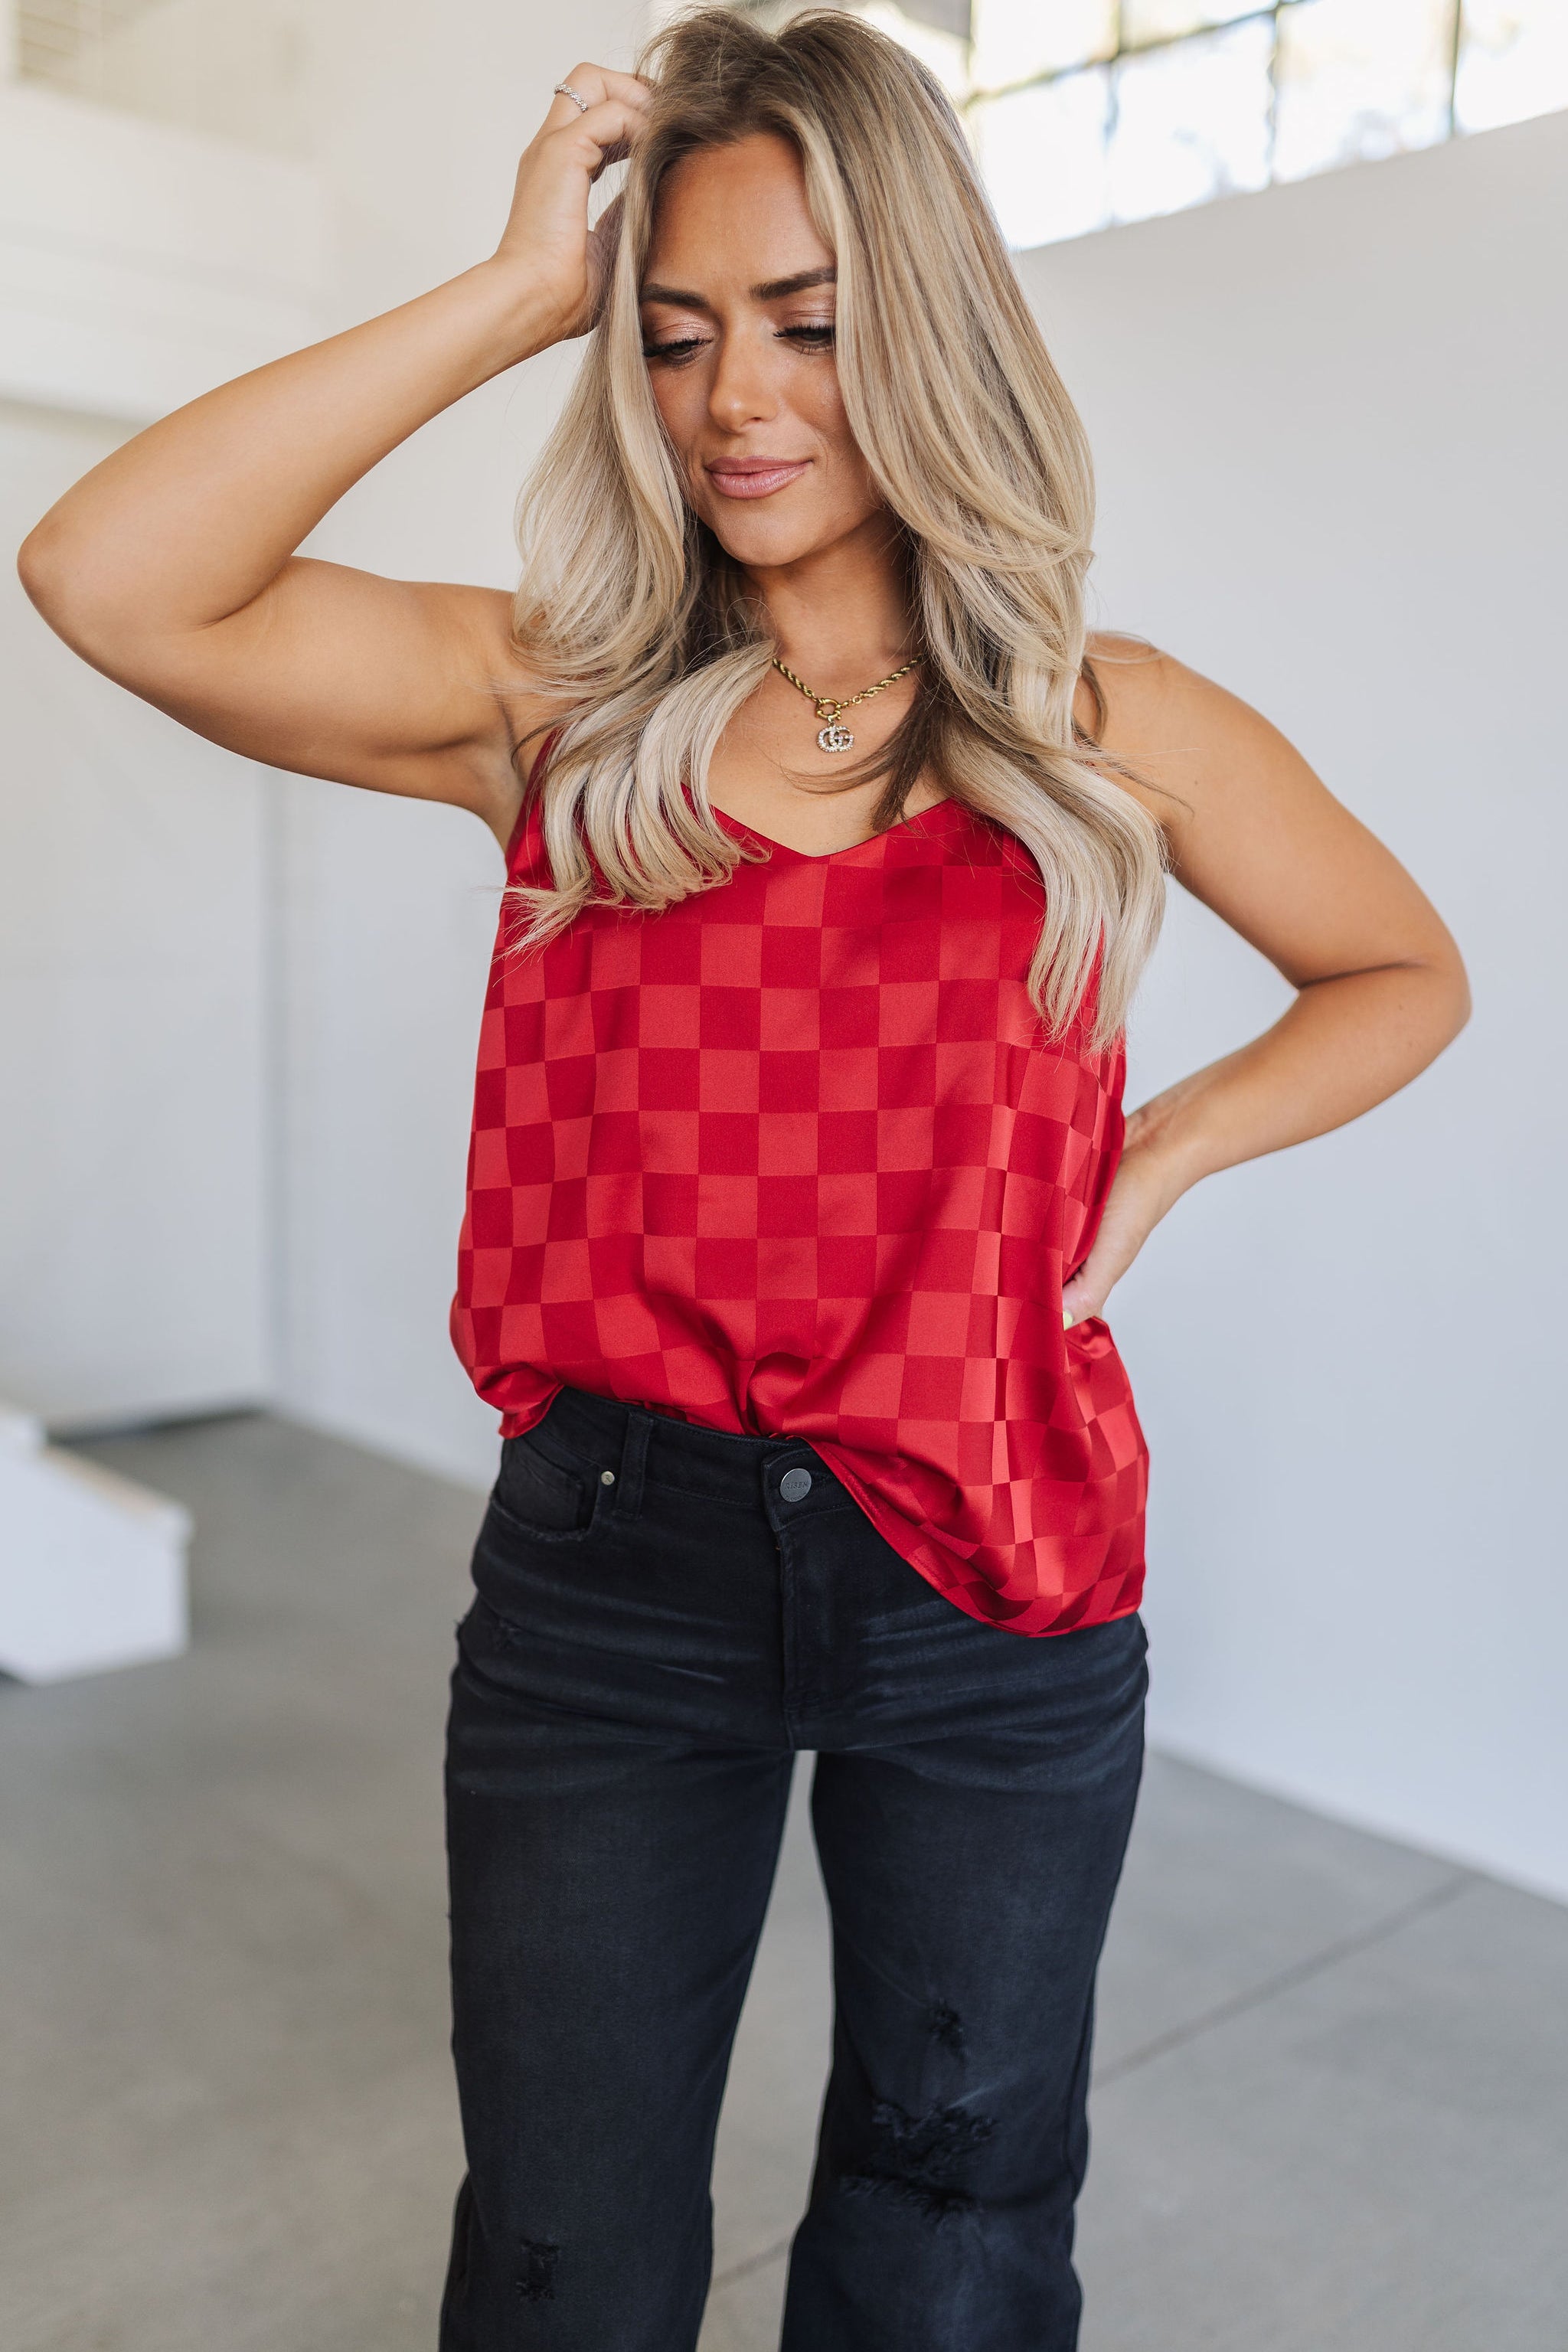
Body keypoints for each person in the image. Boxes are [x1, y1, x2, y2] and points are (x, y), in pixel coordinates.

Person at [18, 10, 1469, 2347]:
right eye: (676, 335)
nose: (736, 399)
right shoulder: (552, 708)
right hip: (620, 1574)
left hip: (993, 1564)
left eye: (805, 320)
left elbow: (1404, 967)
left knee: (957, 2225)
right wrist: (514, 292)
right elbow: (107, 572)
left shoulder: (1115, 728)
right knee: (572, 2256)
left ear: (929, 320)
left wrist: (1177, 1144)